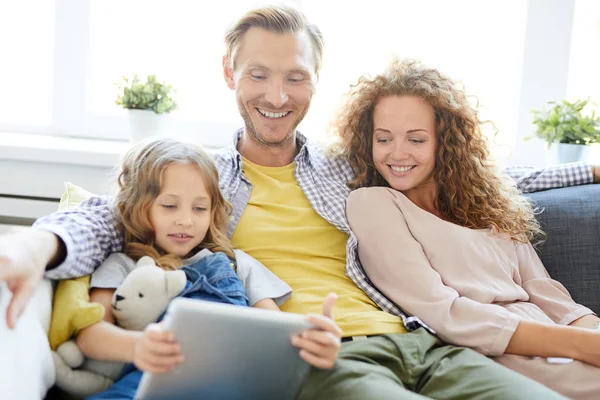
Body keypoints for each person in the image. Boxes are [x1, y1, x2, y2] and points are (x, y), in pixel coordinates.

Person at [0, 4, 597, 399]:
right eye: (259, 75)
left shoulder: (350, 170)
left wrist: (589, 168)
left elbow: (481, 175)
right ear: (229, 75)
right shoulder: (201, 181)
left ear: (316, 79)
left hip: (423, 340)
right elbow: (107, 214)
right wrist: (32, 246)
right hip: (320, 355)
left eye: (296, 77)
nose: (278, 96)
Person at [338, 59, 600, 399]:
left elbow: (543, 291)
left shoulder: (485, 203)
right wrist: (580, 346)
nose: (397, 153)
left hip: (561, 340)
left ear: (445, 142)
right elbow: (442, 312)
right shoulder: (372, 204)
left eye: (416, 140)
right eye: (384, 138)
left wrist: (592, 332)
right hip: (498, 352)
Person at [73, 138, 341, 399]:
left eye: (200, 208)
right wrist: (138, 346)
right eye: (169, 206)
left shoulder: (236, 264)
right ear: (136, 206)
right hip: (150, 383)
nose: (186, 220)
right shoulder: (122, 264)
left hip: (232, 386)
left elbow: (278, 334)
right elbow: (91, 336)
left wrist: (317, 344)